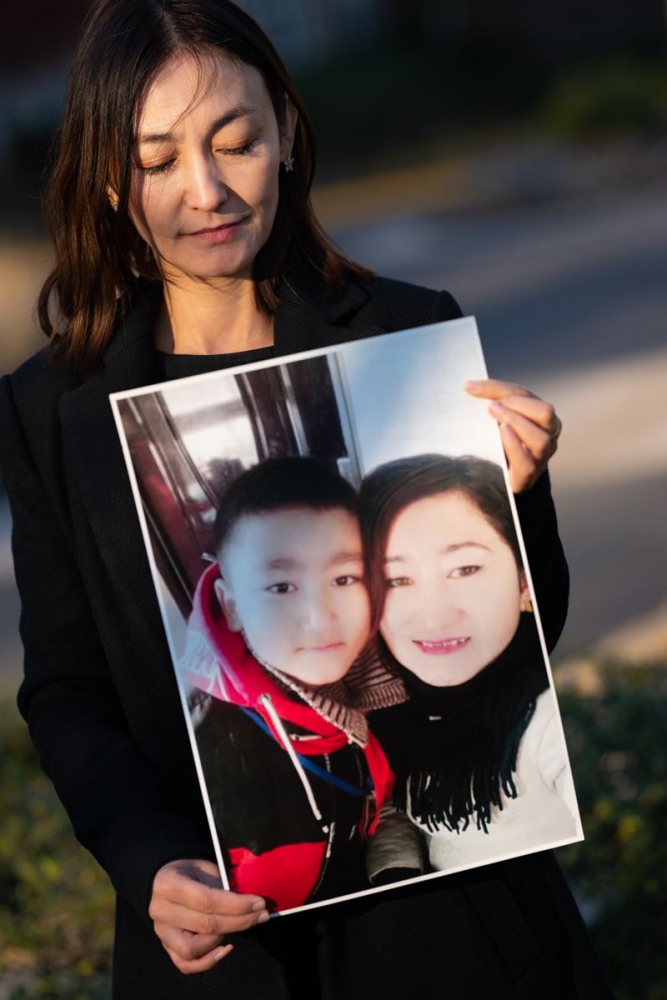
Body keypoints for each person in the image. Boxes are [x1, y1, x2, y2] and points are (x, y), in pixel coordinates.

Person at [0, 0, 613, 996]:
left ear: (285, 131)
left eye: (236, 140)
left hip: (458, 934)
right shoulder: (49, 410)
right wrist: (149, 861)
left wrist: (519, 497)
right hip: (233, 951)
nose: (205, 190)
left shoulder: (409, 332)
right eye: (156, 161)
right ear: (111, 180)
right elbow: (68, 691)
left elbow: (518, 632)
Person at [177, 456, 398, 912]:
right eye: (281, 587)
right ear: (231, 605)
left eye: (344, 578)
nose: (321, 619)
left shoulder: (394, 676)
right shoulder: (204, 747)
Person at [360, 454, 579, 880]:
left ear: (523, 584)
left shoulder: (545, 717)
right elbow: (392, 808)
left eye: (464, 568)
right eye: (397, 580)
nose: (434, 615)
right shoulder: (386, 707)